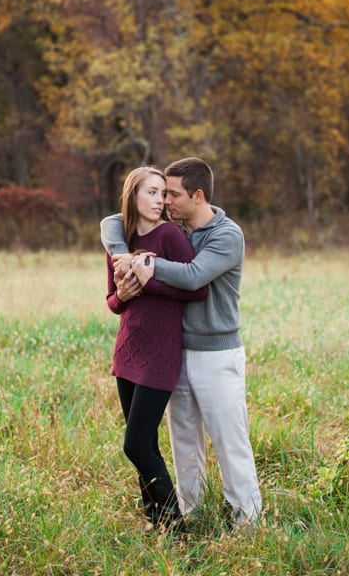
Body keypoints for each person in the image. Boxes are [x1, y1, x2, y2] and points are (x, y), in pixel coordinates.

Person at [101, 157, 262, 528]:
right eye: (160, 193)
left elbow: (192, 278)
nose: (165, 202)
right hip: (178, 352)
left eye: (172, 194)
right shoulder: (181, 228)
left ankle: (248, 521)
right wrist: (123, 255)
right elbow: (114, 221)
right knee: (184, 442)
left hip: (217, 353)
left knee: (229, 440)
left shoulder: (227, 235)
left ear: (198, 195)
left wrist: (144, 265)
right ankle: (191, 512)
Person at [105, 166, 207, 532]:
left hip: (159, 357)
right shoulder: (122, 241)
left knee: (134, 445)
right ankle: (156, 520)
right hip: (127, 352)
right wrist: (124, 295)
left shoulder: (170, 236)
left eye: (163, 193)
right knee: (147, 443)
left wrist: (151, 285)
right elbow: (113, 302)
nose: (159, 200)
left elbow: (197, 289)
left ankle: (176, 527)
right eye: (150, 192)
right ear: (132, 196)